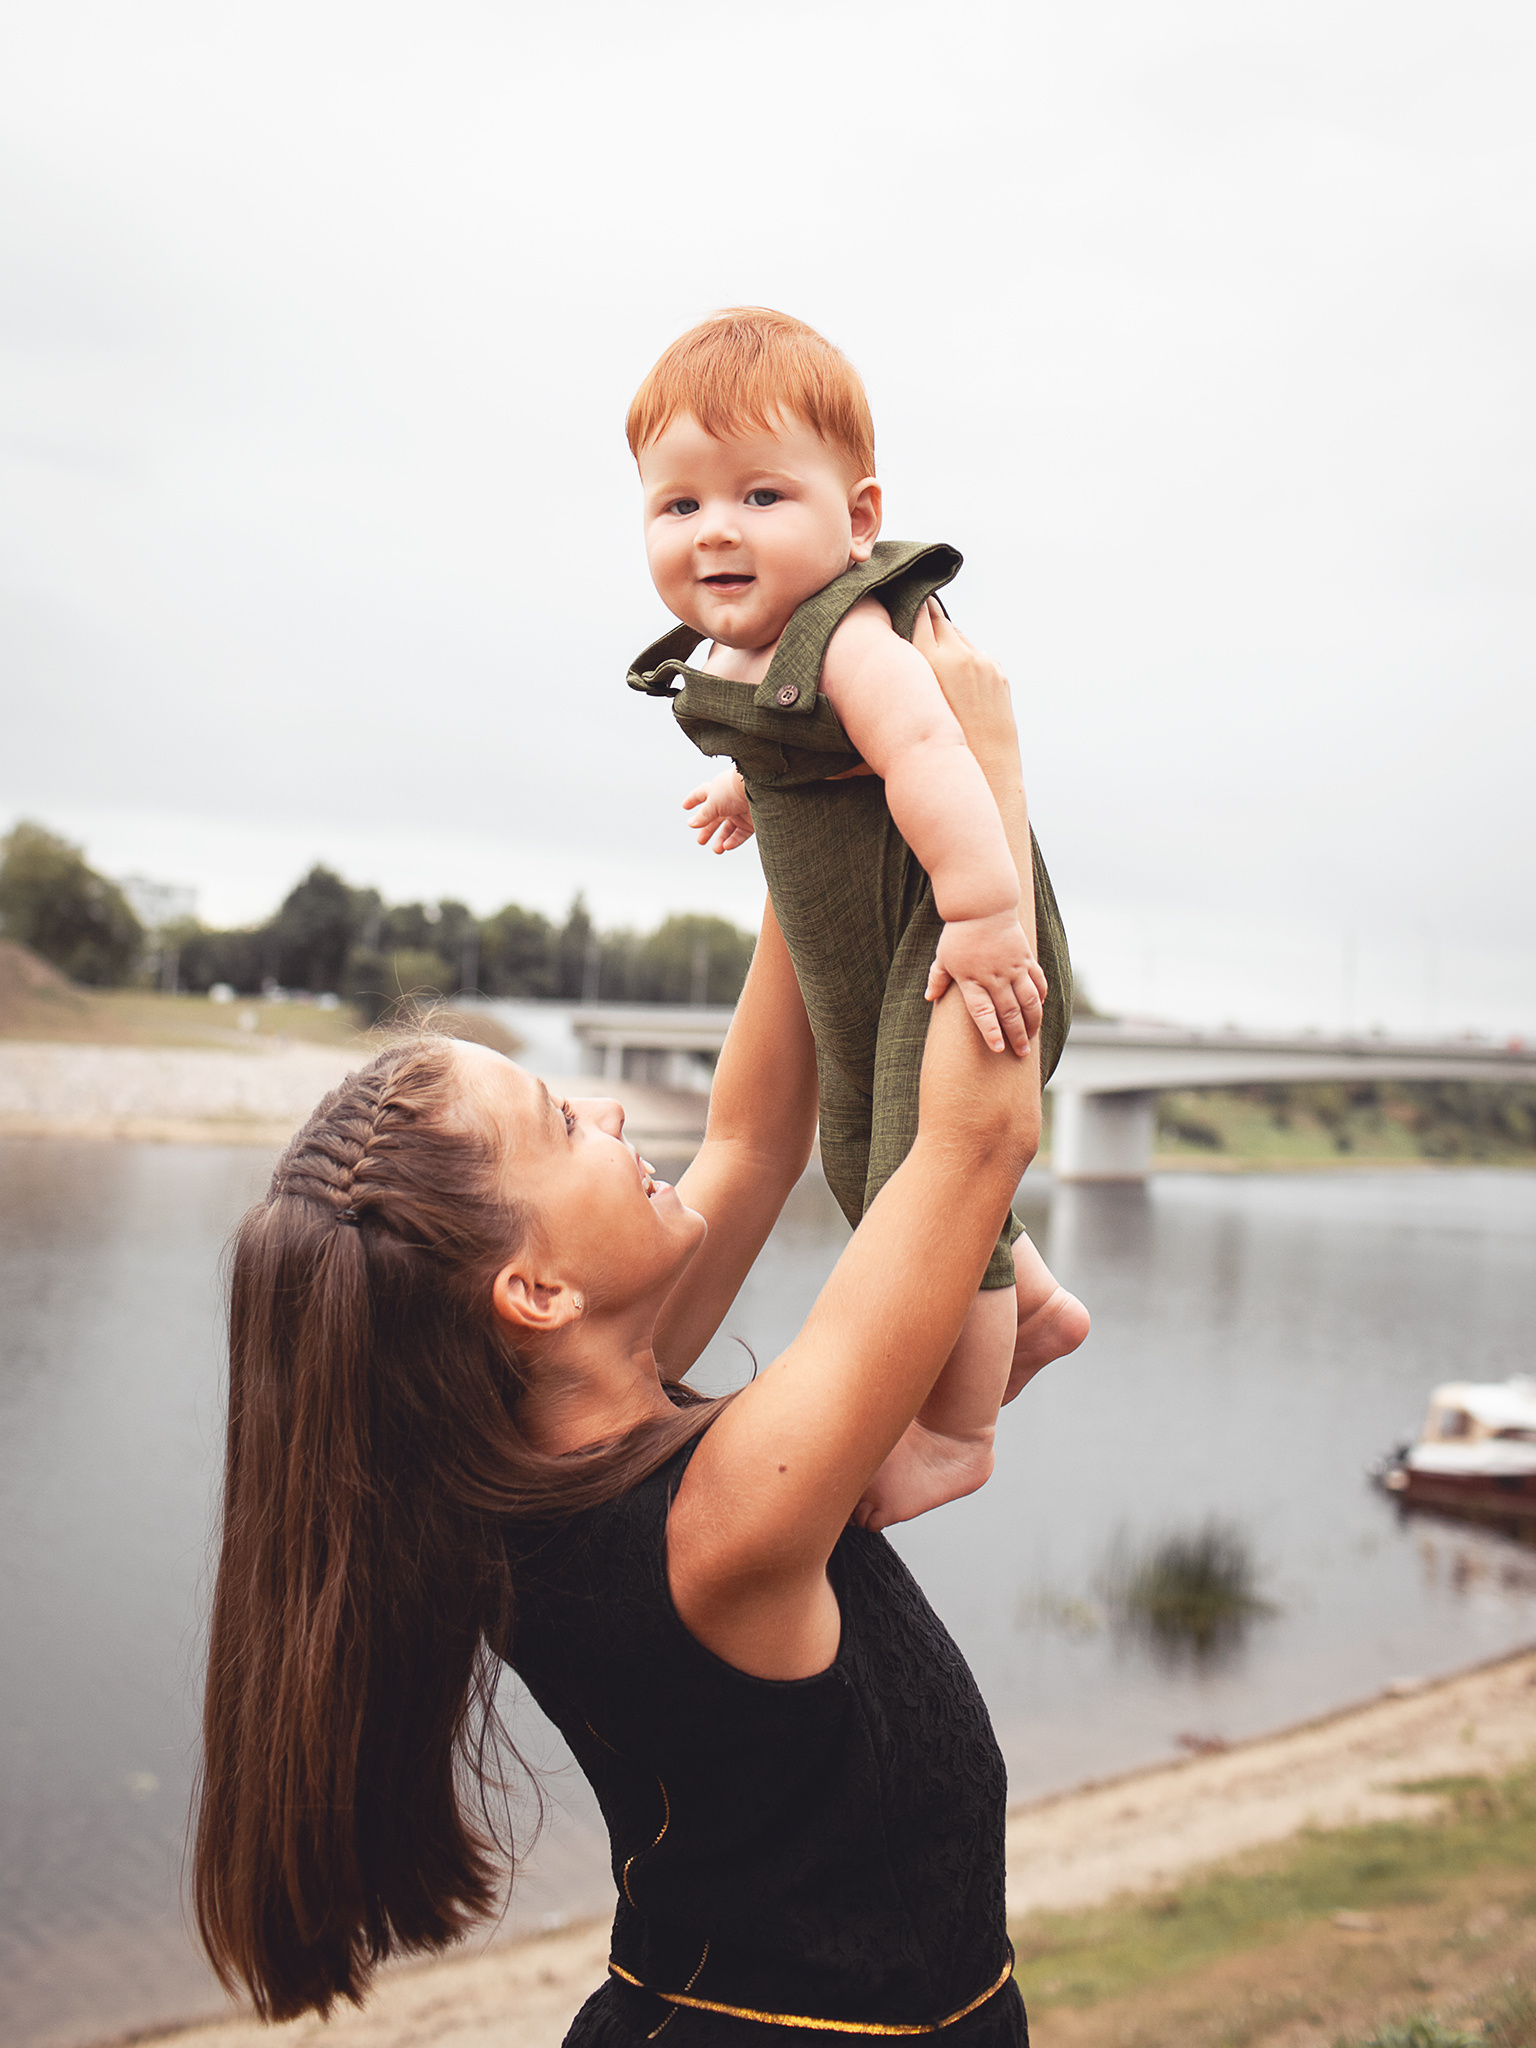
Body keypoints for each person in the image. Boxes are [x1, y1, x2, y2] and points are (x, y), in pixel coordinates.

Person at [193, 610, 1045, 2045]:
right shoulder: (711, 1523)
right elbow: (976, 1140)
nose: (607, 1110)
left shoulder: (558, 1436)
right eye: (558, 1123)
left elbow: (760, 1130)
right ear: (532, 1294)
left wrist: (815, 779)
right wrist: (989, 769)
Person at [625, 308, 1088, 1530]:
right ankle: (1031, 1302)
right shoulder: (734, 660)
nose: (717, 528)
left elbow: (932, 753)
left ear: (859, 518)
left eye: (764, 494)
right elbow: (796, 753)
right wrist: (748, 783)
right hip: (871, 947)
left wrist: (987, 918)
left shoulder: (855, 641)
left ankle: (955, 1425)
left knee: (910, 1180)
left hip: (951, 935)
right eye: (679, 506)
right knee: (855, 1161)